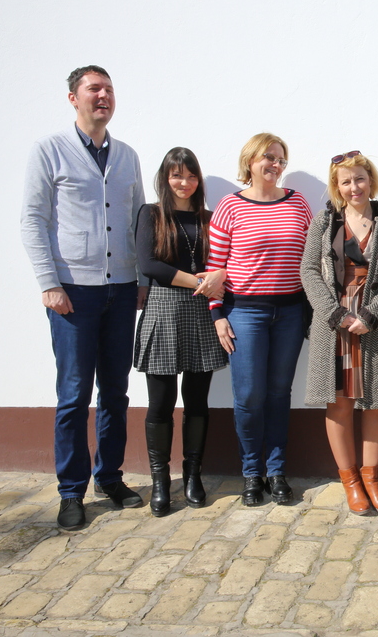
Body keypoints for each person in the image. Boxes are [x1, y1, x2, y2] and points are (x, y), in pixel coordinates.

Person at [20, 65, 146, 530]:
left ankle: (109, 477)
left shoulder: (127, 155)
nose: (103, 95)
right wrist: (48, 282)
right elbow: (32, 219)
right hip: (72, 292)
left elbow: (138, 219)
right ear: (73, 98)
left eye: (109, 88)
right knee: (73, 394)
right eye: (94, 89)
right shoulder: (50, 150)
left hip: (121, 290)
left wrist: (140, 279)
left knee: (115, 390)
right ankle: (70, 490)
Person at [200, 133, 313, 507]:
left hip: (290, 312)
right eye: (268, 157)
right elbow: (214, 269)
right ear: (250, 160)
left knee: (279, 393)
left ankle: (276, 471)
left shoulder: (298, 204)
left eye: (281, 159)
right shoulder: (230, 207)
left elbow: (312, 258)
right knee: (249, 396)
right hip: (245, 313)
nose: (275, 165)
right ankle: (252, 472)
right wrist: (217, 315)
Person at [301, 151, 378, 515]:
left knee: (376, 402)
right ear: (337, 186)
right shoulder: (323, 222)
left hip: (375, 323)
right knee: (339, 402)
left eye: (360, 178)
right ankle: (350, 482)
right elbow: (308, 271)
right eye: (345, 181)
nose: (354, 187)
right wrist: (336, 315)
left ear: (370, 180)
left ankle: (372, 479)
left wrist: (371, 314)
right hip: (335, 324)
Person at [134, 147, 228, 516]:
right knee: (160, 402)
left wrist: (215, 281)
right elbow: (149, 264)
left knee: (197, 400)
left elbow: (222, 261)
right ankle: (160, 481)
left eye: (190, 176)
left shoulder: (210, 218)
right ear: (165, 178)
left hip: (201, 313)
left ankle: (192, 475)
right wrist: (198, 282)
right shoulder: (151, 214)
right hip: (163, 309)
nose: (184, 182)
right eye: (177, 175)